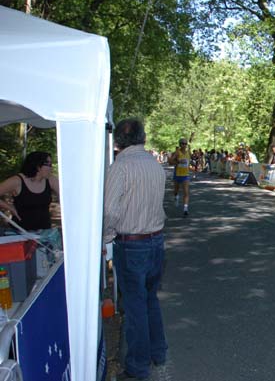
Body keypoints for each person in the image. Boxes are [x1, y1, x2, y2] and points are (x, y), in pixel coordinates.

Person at [103, 119, 168, 381]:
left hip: (132, 244)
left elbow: (109, 210)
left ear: (117, 141)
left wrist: (106, 237)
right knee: (150, 299)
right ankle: (158, 351)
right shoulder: (155, 164)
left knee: (135, 306)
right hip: (156, 241)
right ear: (142, 137)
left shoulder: (120, 167)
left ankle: (138, 365)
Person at [0, 151, 60, 231]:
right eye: (48, 164)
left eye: (51, 164)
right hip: (20, 233)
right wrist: (9, 207)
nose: (51, 168)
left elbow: (66, 197)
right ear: (38, 166)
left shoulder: (51, 180)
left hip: (44, 233)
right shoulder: (17, 181)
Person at [169, 138, 191, 216]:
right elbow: (170, 162)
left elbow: (188, 163)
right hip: (177, 174)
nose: (184, 145)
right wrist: (178, 161)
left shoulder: (188, 152)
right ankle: (176, 197)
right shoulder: (177, 153)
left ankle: (185, 209)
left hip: (185, 175)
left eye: (185, 144)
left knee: (186, 192)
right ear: (180, 144)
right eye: (182, 143)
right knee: (176, 191)